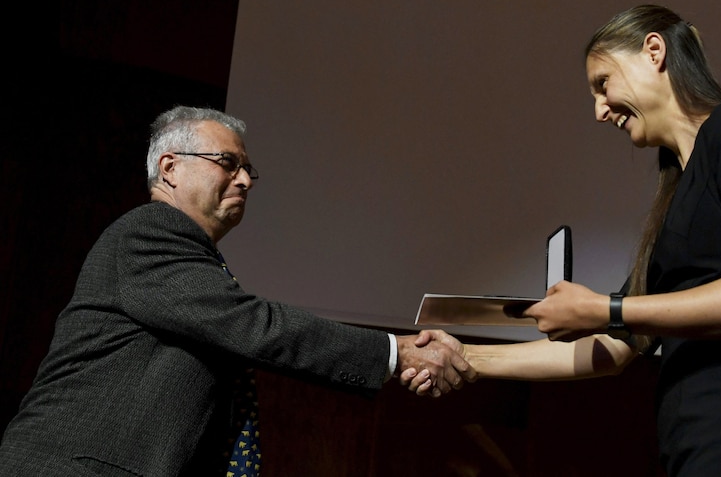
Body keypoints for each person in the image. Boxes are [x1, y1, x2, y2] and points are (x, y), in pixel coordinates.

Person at [404, 4, 721, 477]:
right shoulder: (677, 194)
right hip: (696, 447)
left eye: (602, 84)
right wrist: (465, 358)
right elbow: (617, 348)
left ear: (654, 51)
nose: (599, 110)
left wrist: (606, 310)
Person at [0, 105, 476, 476]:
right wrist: (396, 354)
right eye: (227, 162)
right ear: (169, 167)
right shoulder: (149, 232)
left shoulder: (194, 259)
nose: (245, 180)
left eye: (248, 169)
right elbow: (254, 326)